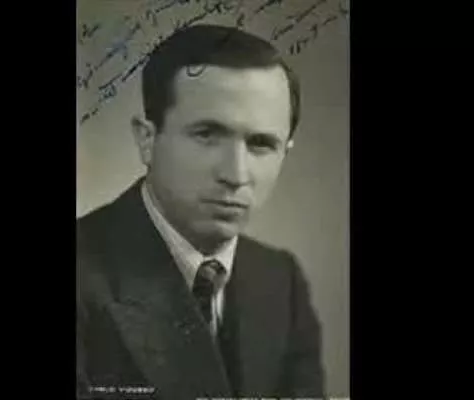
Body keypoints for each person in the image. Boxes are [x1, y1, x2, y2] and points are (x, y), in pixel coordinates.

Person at [77, 24, 325, 400]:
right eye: (207, 134)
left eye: (261, 144)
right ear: (147, 139)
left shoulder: (280, 279)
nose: (236, 175)